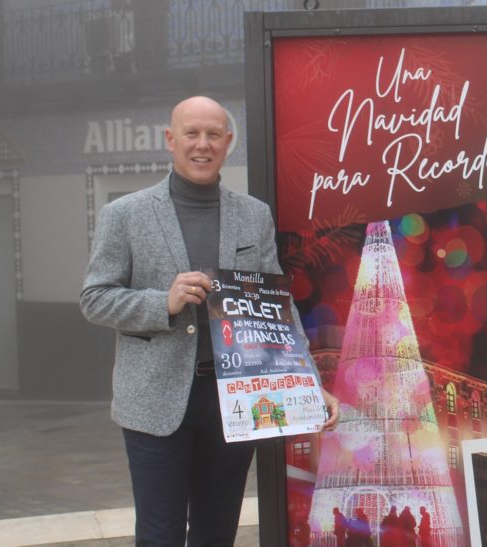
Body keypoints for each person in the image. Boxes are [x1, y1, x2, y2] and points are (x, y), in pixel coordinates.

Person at [80, 95, 340, 546]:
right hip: (154, 401)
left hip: (235, 402)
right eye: (192, 133)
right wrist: (164, 301)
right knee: (159, 536)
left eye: (213, 135)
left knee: (217, 533)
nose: (202, 145)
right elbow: (95, 299)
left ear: (228, 142)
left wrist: (308, 381)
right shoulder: (123, 215)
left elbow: (276, 307)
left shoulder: (253, 215)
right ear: (170, 139)